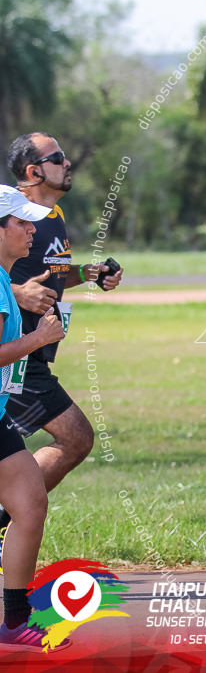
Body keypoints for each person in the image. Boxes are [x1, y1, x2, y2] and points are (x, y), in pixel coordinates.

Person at [0, 133, 123, 544]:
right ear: (33, 171)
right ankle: (8, 516)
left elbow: (52, 273)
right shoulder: (8, 216)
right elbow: (12, 284)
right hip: (12, 357)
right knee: (76, 436)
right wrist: (18, 295)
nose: (68, 163)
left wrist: (87, 273)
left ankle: (11, 513)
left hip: (32, 353)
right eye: (57, 158)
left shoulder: (52, 217)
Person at [0, 186, 67, 648]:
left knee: (29, 502)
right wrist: (38, 339)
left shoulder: (5, 279)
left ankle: (14, 620)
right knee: (28, 502)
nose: (31, 230)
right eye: (21, 222)